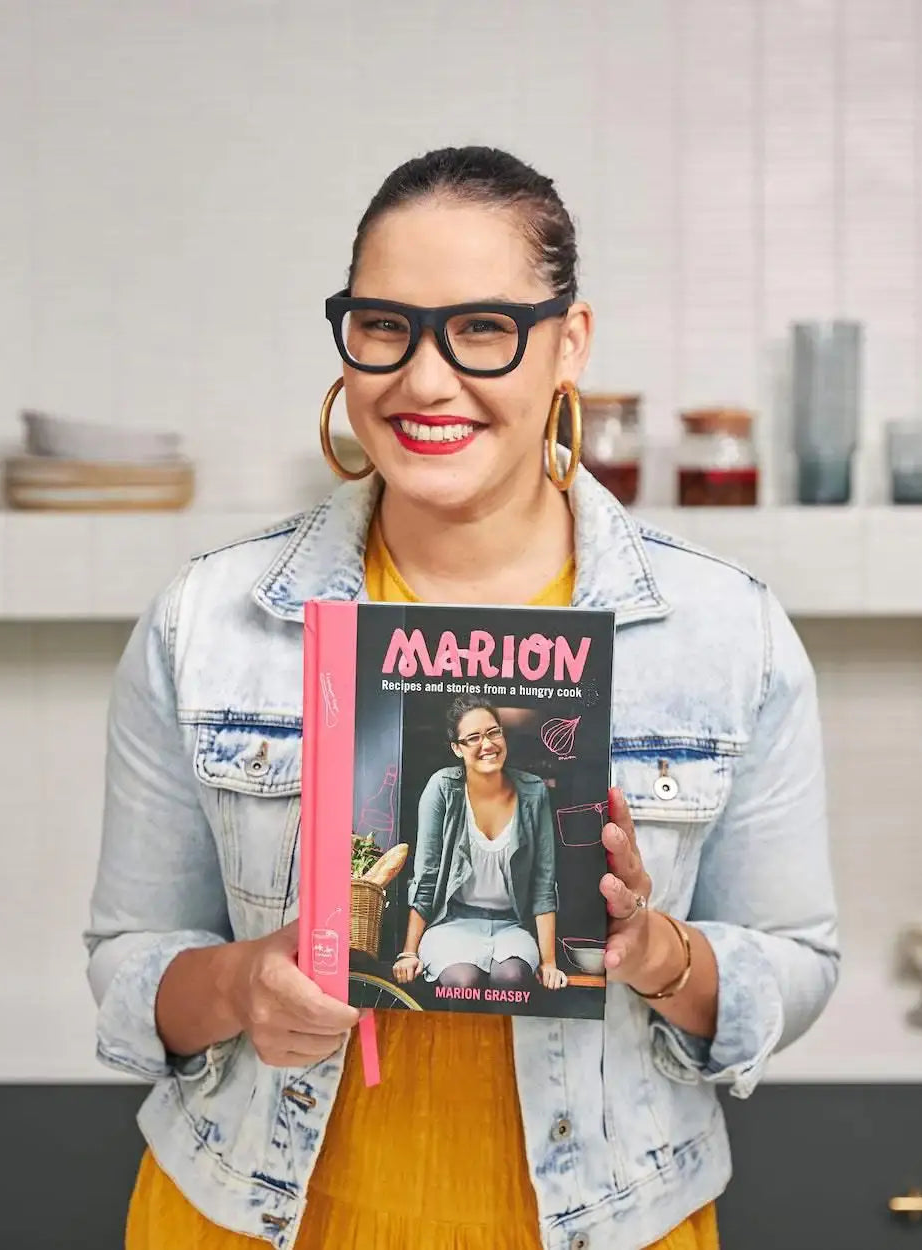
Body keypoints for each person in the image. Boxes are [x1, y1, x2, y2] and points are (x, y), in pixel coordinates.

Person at [86, 145, 839, 1250]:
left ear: (567, 343)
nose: (424, 380)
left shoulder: (728, 633)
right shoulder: (207, 620)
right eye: (384, 325)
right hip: (247, 1217)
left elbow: (799, 961)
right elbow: (128, 959)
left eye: (482, 327)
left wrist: (658, 954)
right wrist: (245, 980)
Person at [393, 696, 568, 993]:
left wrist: (549, 962)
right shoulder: (443, 789)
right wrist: (409, 952)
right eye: (473, 738)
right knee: (463, 981)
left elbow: (543, 881)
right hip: (452, 923)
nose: (487, 745)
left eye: (493, 732)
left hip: (511, 926)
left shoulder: (533, 792)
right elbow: (426, 876)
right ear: (457, 748)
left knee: (512, 978)